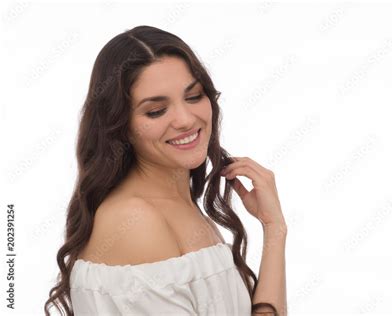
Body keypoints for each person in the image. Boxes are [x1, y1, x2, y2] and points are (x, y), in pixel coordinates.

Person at [44, 25, 287, 315]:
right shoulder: (135, 223)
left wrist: (274, 228)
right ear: (121, 126)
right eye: (156, 111)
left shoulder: (178, 204)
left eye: (194, 96)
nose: (185, 119)